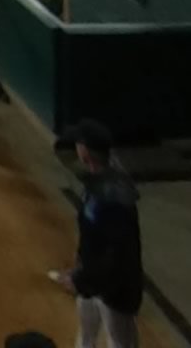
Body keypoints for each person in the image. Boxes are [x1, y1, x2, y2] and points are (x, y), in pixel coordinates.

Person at [54, 121, 142, 348]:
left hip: (114, 287)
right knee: (86, 337)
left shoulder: (114, 197)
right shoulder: (98, 179)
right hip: (93, 278)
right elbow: (92, 236)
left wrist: (80, 278)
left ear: (85, 153)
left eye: (79, 146)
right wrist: (81, 268)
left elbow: (115, 256)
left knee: (120, 343)